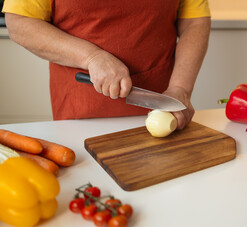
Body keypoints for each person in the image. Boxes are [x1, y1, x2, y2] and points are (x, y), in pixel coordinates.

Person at [2, 1, 211, 130]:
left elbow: (195, 21)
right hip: (80, 110)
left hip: (161, 105)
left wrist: (180, 88)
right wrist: (91, 57)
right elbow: (20, 22)